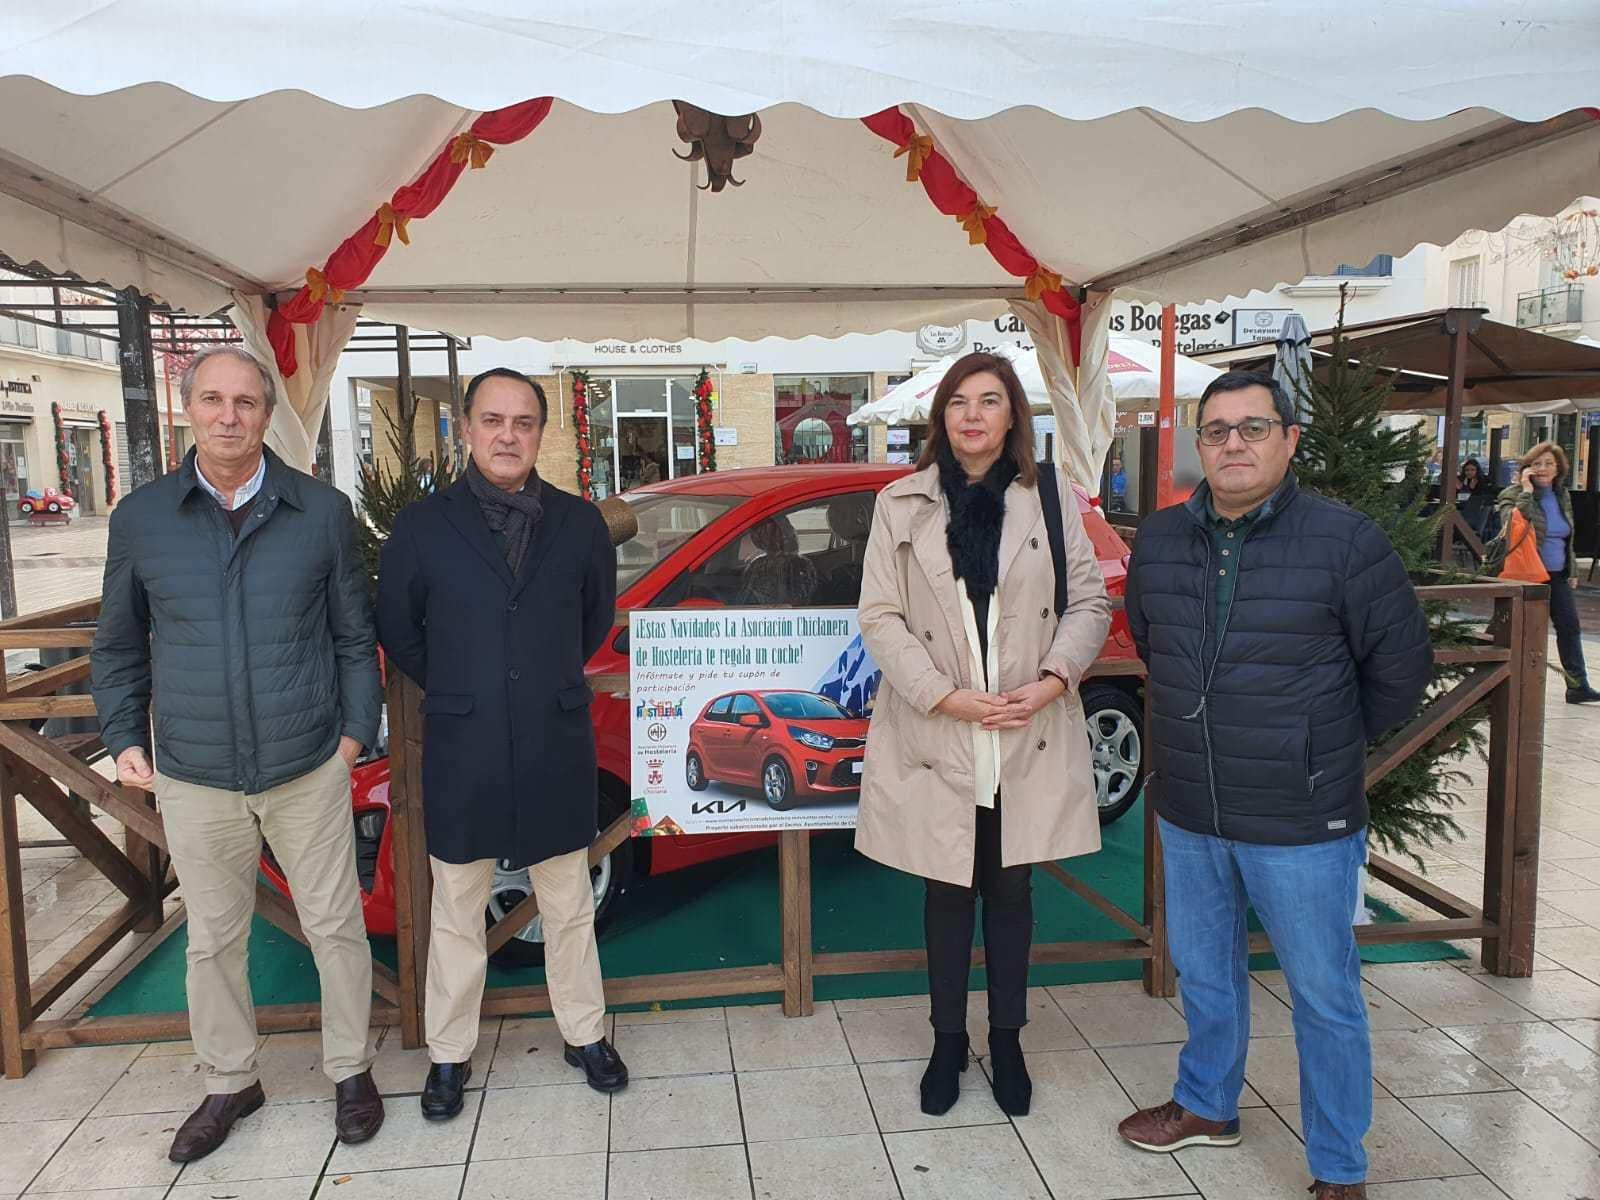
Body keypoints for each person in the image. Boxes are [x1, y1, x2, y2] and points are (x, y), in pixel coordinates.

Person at [1117, 370, 1432, 1200]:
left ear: (1290, 439)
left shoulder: (1345, 541)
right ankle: (1207, 1106)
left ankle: (1338, 1166)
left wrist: (1315, 747)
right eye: (1216, 430)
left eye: (1252, 428)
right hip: (1190, 804)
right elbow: (1155, 642)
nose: (1232, 445)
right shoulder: (1159, 538)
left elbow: (1399, 672)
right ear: (1199, 444)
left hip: (1300, 815)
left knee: (1324, 992)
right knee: (1206, 971)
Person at [92, 345, 384, 1162]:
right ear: (188, 408)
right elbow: (116, 646)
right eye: (214, 400)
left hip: (305, 764)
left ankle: (351, 1069)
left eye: (246, 402)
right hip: (196, 771)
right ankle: (229, 1081)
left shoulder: (321, 512)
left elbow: (355, 639)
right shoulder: (142, 518)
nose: (229, 416)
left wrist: (352, 740)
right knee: (214, 938)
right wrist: (123, 736)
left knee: (334, 925)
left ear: (265, 413)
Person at [854, 351, 1111, 1119]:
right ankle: (944, 1040)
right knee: (945, 888)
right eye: (959, 401)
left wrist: (1053, 679)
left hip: (1023, 727)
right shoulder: (899, 502)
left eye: (989, 400)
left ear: (1012, 417)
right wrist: (944, 697)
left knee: (1010, 887)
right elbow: (879, 615)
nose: (972, 414)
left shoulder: (1052, 500)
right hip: (942, 730)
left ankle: (1006, 1038)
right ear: (941, 417)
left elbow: (1089, 604)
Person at [375, 367, 627, 1119]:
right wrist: (464, 681)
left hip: (555, 736)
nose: (508, 434)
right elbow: (399, 629)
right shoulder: (422, 527)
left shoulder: (579, 523)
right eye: (492, 420)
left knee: (569, 898)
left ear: (542, 433)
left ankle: (584, 1033)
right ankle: (449, 1056)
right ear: (466, 429)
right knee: (457, 904)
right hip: (464, 740)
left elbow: (593, 622)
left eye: (523, 422)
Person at [1498, 442, 1599, 704]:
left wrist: (1572, 569)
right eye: (1537, 463)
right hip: (1525, 575)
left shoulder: (1561, 495)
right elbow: (1512, 525)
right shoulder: (1512, 493)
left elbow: (1568, 536)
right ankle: (1495, 681)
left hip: (1557, 574)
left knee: (1569, 627)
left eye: (1549, 464)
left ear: (1558, 469)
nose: (1543, 469)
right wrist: (1527, 492)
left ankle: (1577, 685)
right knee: (1515, 629)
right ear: (1527, 468)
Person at [1455, 457, 1495, 544]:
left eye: (1472, 470)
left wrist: (1463, 488)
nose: (1469, 472)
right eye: (1467, 470)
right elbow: (1456, 496)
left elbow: (1479, 498)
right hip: (1461, 509)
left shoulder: (1483, 481)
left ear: (1477, 470)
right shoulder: (1461, 479)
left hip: (1475, 514)